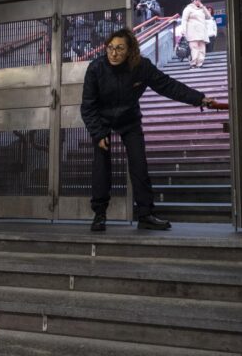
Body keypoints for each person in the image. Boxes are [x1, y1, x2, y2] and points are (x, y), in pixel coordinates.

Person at [81, 28, 214, 231]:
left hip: (129, 120)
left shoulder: (141, 67)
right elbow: (88, 105)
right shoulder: (96, 68)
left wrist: (200, 99)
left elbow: (168, 86)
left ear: (130, 50)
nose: (113, 53)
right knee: (101, 165)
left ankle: (145, 214)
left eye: (119, 48)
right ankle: (99, 215)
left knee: (139, 165)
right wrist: (98, 133)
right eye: (110, 48)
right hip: (102, 120)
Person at [180, 0, 212, 68]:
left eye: (199, 0)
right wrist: (183, 30)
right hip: (192, 31)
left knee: (202, 49)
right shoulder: (188, 8)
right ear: (193, 1)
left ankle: (200, 63)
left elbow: (209, 17)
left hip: (202, 32)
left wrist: (203, 7)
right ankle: (193, 63)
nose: (197, 1)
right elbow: (184, 20)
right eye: (196, 0)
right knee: (194, 48)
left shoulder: (202, 9)